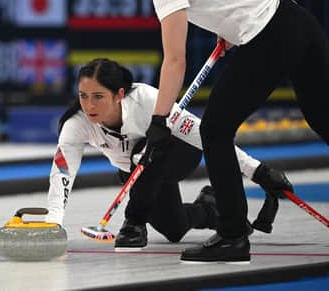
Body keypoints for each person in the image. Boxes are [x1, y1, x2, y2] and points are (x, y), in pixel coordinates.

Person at [104, 0, 329, 262]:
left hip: (270, 38)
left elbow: (175, 60)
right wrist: (232, 31)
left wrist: (160, 121)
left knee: (214, 131)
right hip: (298, 22)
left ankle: (232, 236)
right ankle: (232, 233)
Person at [46, 58, 292, 251]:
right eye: (83, 96)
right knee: (173, 229)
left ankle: (134, 223)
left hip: (179, 153)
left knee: (147, 152)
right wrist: (54, 222)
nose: (88, 105)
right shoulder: (77, 123)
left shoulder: (149, 100)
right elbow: (63, 170)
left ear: (119, 94)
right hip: (139, 174)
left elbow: (205, 135)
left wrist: (257, 171)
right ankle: (209, 207)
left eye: (98, 97)